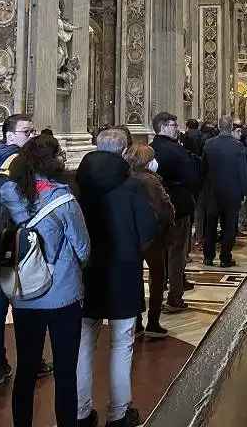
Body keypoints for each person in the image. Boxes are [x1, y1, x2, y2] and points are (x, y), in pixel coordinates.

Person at [0, 135, 91, 427]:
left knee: (26, 368)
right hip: (62, 294)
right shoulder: (64, 200)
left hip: (24, 292)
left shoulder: (9, 193)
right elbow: (83, 249)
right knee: (65, 370)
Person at [76, 129, 159, 427]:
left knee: (84, 342)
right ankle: (119, 413)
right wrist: (132, 249)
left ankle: (80, 413)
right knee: (122, 344)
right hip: (123, 271)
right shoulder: (132, 186)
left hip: (87, 271)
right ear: (124, 151)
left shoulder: (79, 183)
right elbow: (148, 230)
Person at [0, 113, 47, 386]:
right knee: (26, 301)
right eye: (26, 132)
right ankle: (33, 363)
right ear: (10, 136)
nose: (31, 137)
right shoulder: (20, 165)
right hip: (15, 238)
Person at [149, 112, 199, 314]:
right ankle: (174, 297)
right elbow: (191, 178)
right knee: (177, 253)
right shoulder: (176, 150)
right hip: (177, 206)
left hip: (154, 209)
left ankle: (156, 293)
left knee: (157, 254)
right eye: (173, 124)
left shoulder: (150, 149)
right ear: (162, 127)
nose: (176, 127)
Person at [124, 143, 176, 337]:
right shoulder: (151, 181)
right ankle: (153, 322)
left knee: (135, 277)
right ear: (146, 161)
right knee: (157, 278)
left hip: (131, 234)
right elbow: (164, 209)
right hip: (152, 235)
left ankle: (136, 321)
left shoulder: (125, 178)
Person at [200, 116, 247, 268]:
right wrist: (245, 191)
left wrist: (203, 188)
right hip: (232, 192)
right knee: (229, 226)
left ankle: (208, 257)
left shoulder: (209, 144)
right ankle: (225, 257)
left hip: (213, 191)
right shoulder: (238, 146)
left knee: (210, 225)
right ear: (230, 128)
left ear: (219, 127)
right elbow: (243, 171)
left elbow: (203, 169)